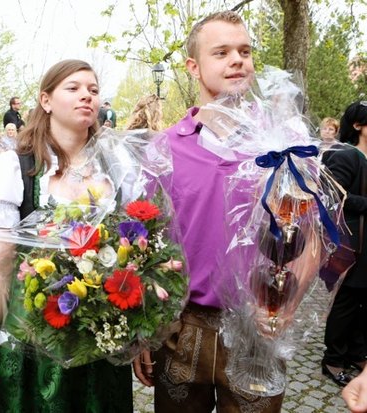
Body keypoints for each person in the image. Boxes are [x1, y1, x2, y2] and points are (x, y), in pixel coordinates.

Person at [132, 11, 285, 411]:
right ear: (193, 66)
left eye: (245, 51)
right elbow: (145, 240)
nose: (237, 60)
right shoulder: (165, 149)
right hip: (183, 327)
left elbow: (307, 234)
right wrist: (144, 329)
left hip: (257, 331)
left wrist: (283, 306)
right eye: (221, 52)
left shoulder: (281, 143)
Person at [0, 59, 133, 413]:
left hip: (102, 344)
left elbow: (135, 263)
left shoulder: (116, 168)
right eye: (73, 88)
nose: (86, 95)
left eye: (93, 90)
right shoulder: (16, 169)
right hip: (32, 345)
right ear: (46, 100)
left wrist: (139, 340)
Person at [321, 100, 367, 387]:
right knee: (347, 299)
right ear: (358, 125)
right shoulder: (346, 155)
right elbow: (332, 194)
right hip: (352, 242)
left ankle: (357, 352)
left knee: (364, 299)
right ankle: (334, 359)